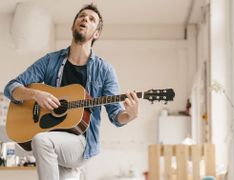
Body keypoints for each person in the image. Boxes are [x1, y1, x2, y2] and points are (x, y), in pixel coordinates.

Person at [4, 4, 139, 180]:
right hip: (52, 140)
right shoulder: (50, 61)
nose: (85, 19)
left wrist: (129, 115)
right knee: (46, 144)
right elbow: (11, 87)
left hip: (80, 143)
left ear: (96, 34)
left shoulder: (104, 70)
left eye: (92, 19)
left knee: (41, 140)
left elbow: (116, 114)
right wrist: (36, 94)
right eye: (81, 16)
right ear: (73, 25)